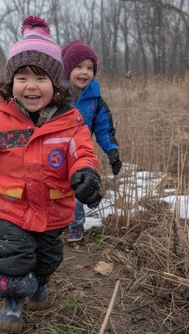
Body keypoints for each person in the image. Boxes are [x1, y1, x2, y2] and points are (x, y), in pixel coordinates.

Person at [0, 16, 103, 333]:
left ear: (57, 85)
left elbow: (82, 152)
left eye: (41, 78)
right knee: (15, 256)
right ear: (11, 84)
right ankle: (13, 303)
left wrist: (86, 175)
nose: (31, 86)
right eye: (22, 77)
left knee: (49, 257)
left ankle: (41, 282)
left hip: (54, 208)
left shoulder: (70, 121)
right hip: (12, 208)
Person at [61, 40, 122, 243]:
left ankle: (76, 225)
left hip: (80, 153)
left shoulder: (95, 100)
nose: (84, 72)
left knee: (77, 186)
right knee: (54, 188)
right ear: (67, 69)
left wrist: (111, 150)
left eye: (89, 68)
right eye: (78, 67)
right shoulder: (56, 96)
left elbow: (104, 129)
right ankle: (54, 222)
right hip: (55, 150)